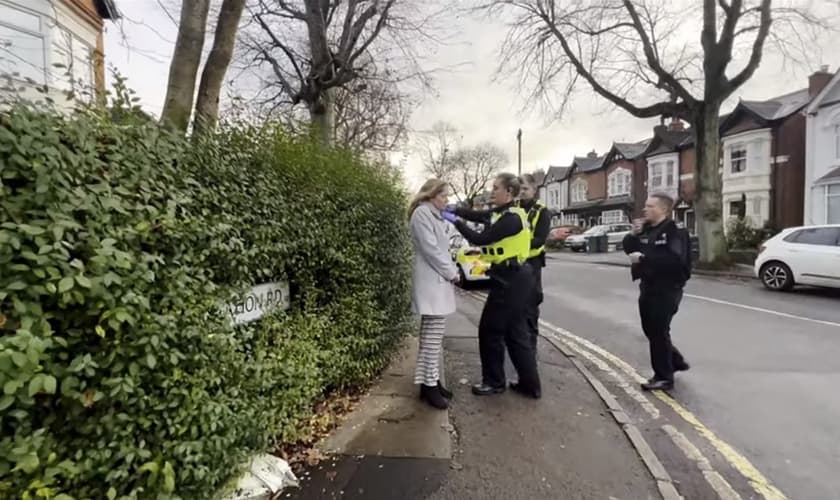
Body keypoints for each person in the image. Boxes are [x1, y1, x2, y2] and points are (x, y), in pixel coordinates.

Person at [443, 173, 542, 399]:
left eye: (496, 187)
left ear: (509, 192)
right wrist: (456, 210)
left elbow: (481, 239)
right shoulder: (502, 213)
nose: (492, 191)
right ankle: (530, 385)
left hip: (512, 278)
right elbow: (477, 215)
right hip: (513, 276)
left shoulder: (512, 219)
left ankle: (495, 382)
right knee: (515, 332)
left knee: (490, 330)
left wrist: (455, 222)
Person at [622, 193, 692, 391]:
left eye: (650, 206)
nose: (645, 210)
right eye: (646, 206)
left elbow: (675, 260)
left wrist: (644, 259)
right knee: (650, 329)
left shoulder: (675, 231)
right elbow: (629, 248)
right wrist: (633, 235)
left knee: (659, 331)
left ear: (663, 209)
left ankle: (663, 377)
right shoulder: (647, 229)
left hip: (668, 287)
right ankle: (675, 360)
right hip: (648, 285)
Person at [408, 179, 460, 409]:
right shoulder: (422, 214)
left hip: (436, 283)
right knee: (431, 340)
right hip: (432, 283)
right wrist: (453, 273)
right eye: (444, 196)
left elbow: (445, 247)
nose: (446, 200)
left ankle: (429, 382)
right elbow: (432, 251)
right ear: (430, 195)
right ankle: (429, 386)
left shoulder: (434, 216)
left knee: (432, 339)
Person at [518, 174, 551, 352]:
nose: (522, 193)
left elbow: (539, 240)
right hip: (514, 264)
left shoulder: (541, 211)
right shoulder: (514, 208)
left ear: (534, 189)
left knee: (530, 309)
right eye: (519, 189)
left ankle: (531, 352)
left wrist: (516, 246)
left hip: (531, 264)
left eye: (525, 189)